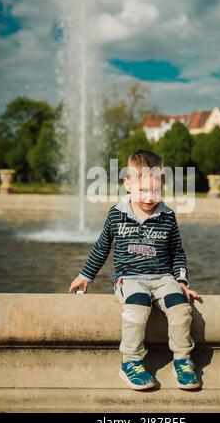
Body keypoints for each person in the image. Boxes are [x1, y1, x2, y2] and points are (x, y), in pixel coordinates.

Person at [69, 149, 200, 390]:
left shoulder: (168, 216)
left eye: (156, 190)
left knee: (181, 308)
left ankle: (182, 360)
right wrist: (85, 275)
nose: (150, 197)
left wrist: (182, 282)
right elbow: (102, 247)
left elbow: (177, 252)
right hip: (129, 278)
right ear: (128, 184)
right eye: (143, 190)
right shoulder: (117, 214)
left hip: (163, 277)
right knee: (137, 307)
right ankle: (130, 362)